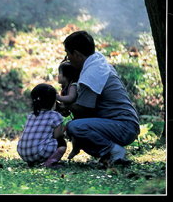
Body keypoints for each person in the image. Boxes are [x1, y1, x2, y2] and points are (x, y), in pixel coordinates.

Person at [62, 30, 140, 166]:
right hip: (125, 124)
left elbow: (84, 111)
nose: (68, 59)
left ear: (76, 54)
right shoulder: (98, 62)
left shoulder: (91, 75)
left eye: (68, 55)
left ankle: (115, 151)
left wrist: (66, 105)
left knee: (74, 127)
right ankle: (110, 153)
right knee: (76, 125)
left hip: (123, 126)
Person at [17, 83, 67, 168]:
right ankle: (50, 163)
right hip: (40, 152)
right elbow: (57, 135)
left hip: (23, 152)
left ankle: (31, 163)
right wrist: (63, 135)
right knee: (62, 143)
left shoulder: (31, 115)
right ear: (54, 101)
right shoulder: (55, 115)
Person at [54, 61, 81, 159]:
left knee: (74, 131)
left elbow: (71, 98)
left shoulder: (73, 85)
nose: (58, 76)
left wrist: (58, 98)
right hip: (76, 115)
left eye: (60, 73)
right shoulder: (64, 88)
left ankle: (75, 149)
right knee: (74, 133)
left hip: (81, 115)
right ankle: (75, 149)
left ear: (67, 75)